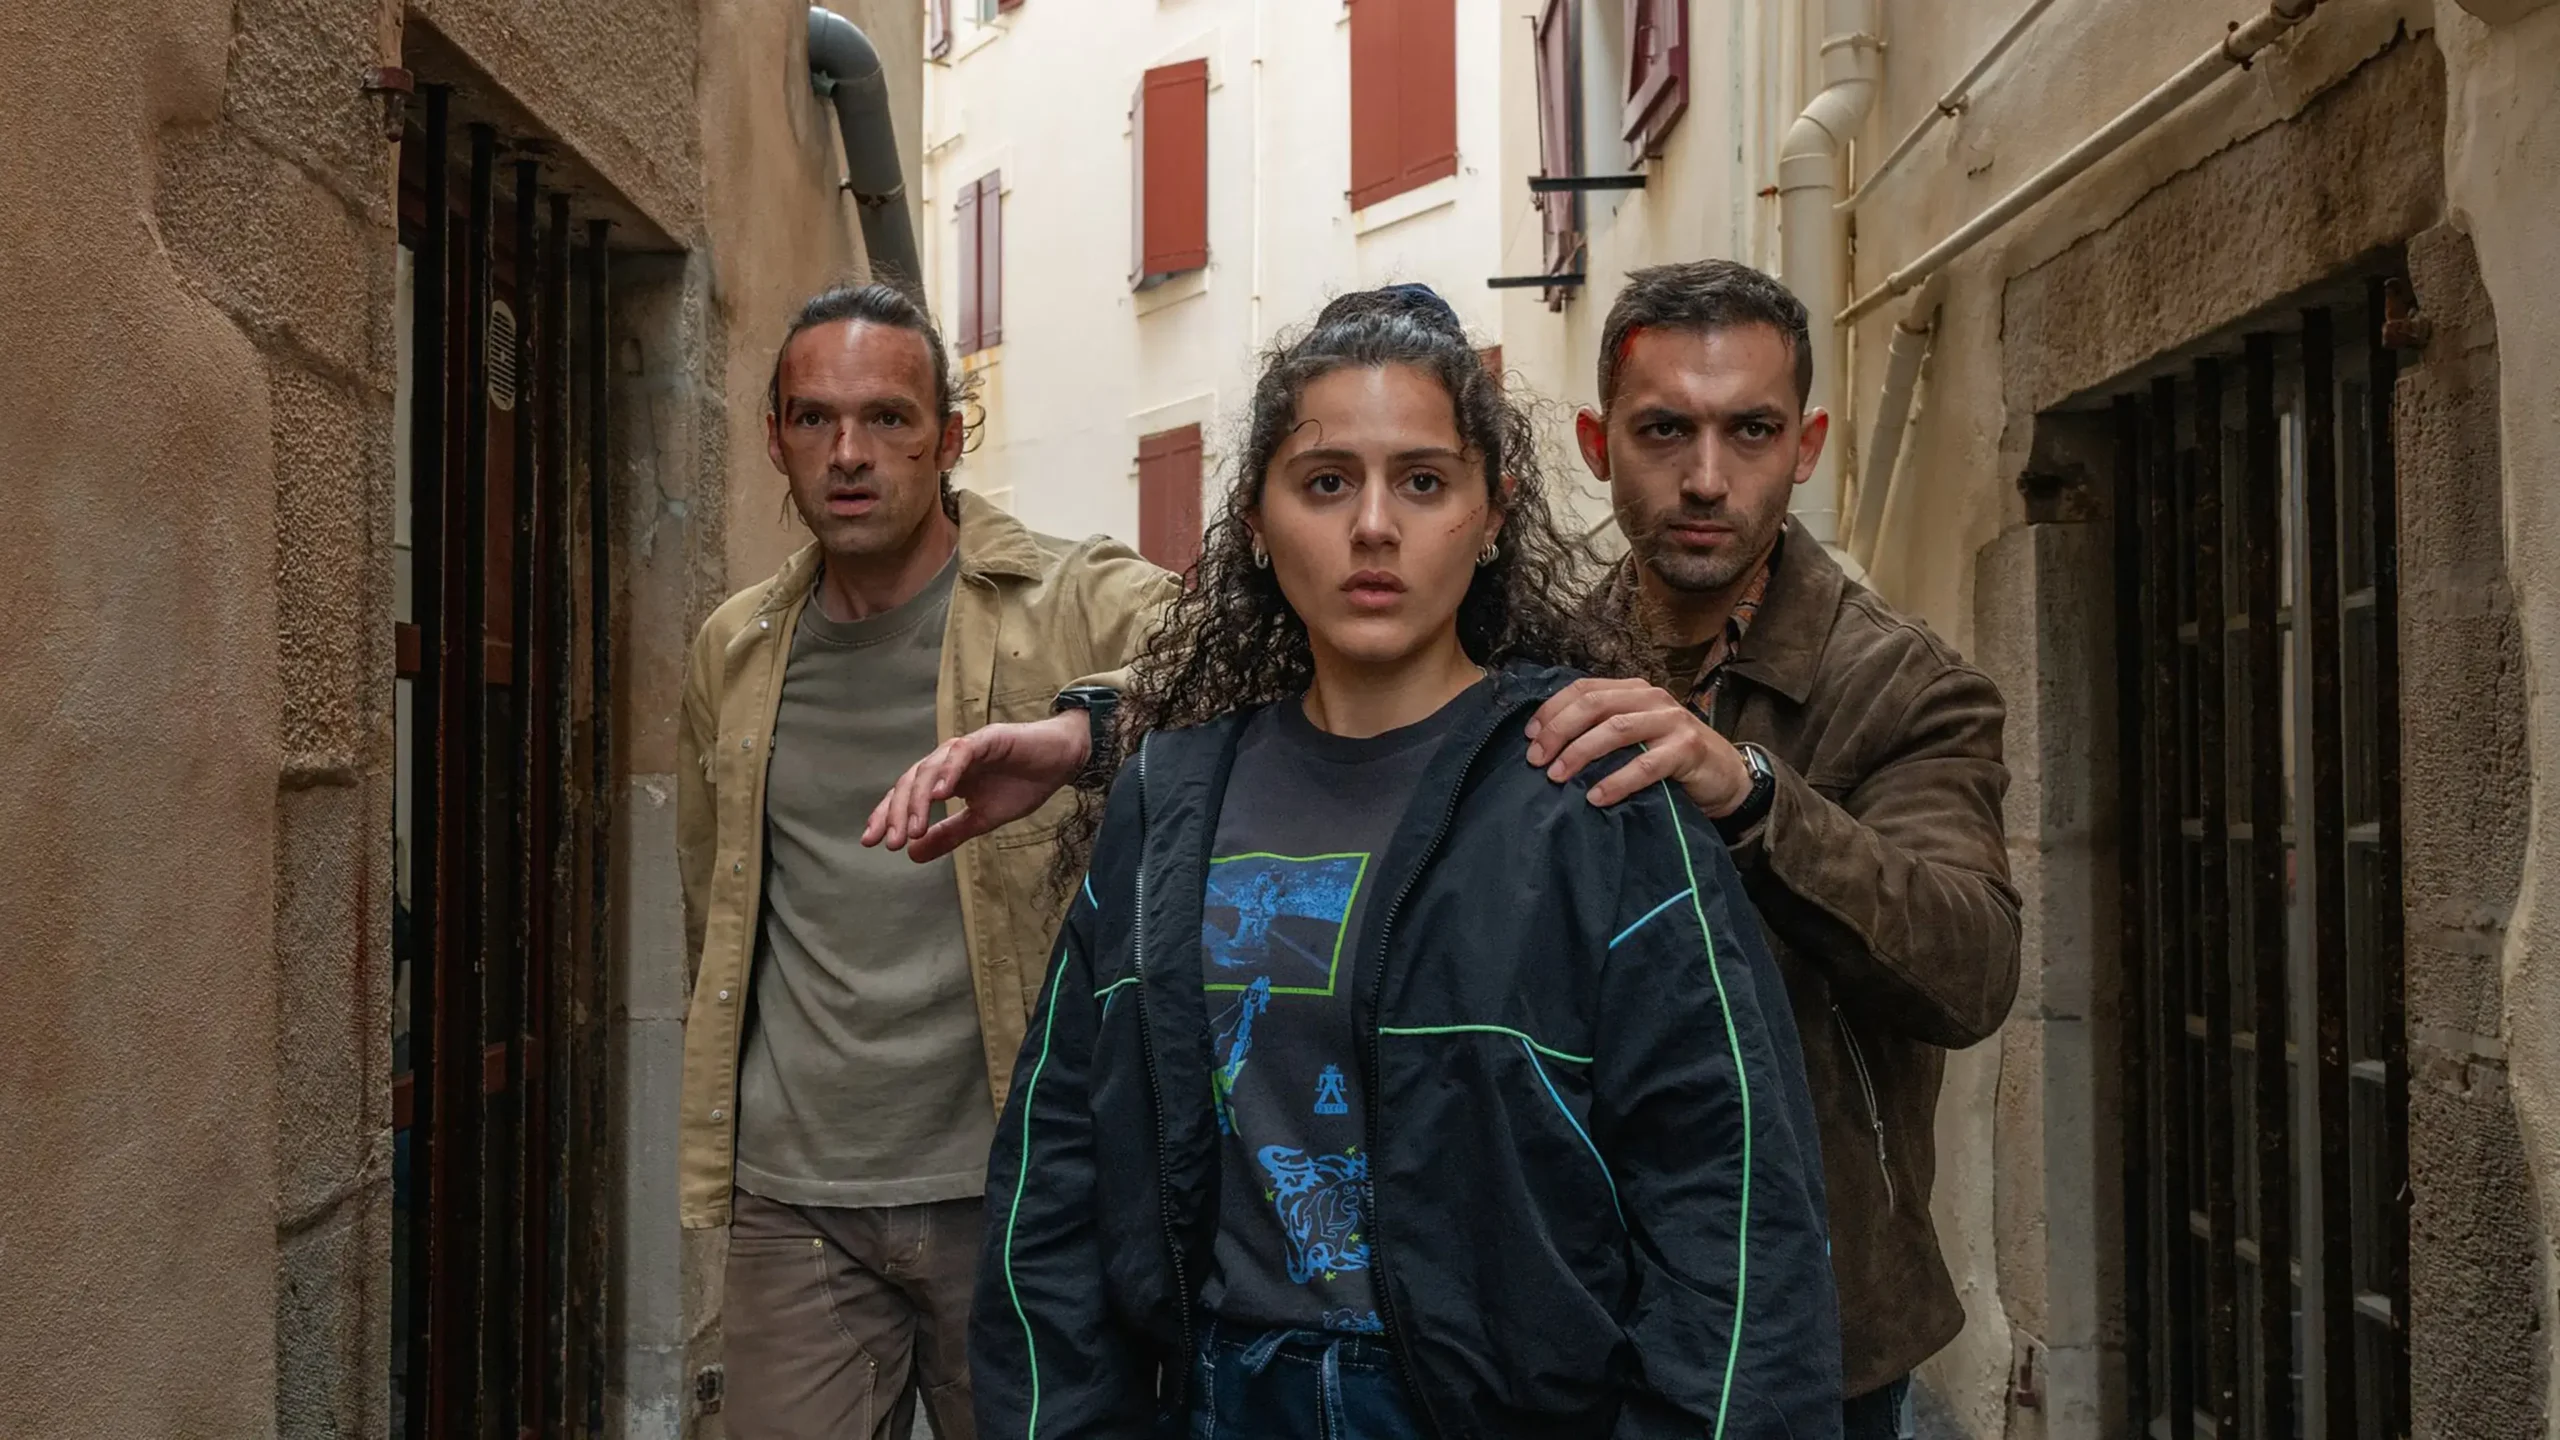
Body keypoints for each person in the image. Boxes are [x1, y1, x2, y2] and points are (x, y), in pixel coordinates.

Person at [967, 285, 1841, 1440]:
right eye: (1326, 483)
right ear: (1257, 521)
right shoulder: (1168, 797)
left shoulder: (1593, 790)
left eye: (1422, 482)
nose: (1373, 526)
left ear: (1492, 517)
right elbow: (1057, 1179)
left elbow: (1726, 1200)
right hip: (1217, 1401)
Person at [1522, 260, 2021, 1436]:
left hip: (1814, 1323)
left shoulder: (1906, 687)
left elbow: (1969, 967)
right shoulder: (1532, 665)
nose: (1706, 477)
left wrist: (1747, 793)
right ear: (1598, 444)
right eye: (1664, 431)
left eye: (1749, 431)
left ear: (1805, 446)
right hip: (1577, 1303)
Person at [673, 282, 1178, 1440]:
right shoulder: (733, 648)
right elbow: (717, 903)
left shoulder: (1067, 597)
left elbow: (1249, 656)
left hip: (1017, 1189)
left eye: (888, 419)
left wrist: (1081, 733)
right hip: (796, 1203)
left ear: (949, 439)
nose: (849, 454)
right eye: (814, 419)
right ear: (775, 441)